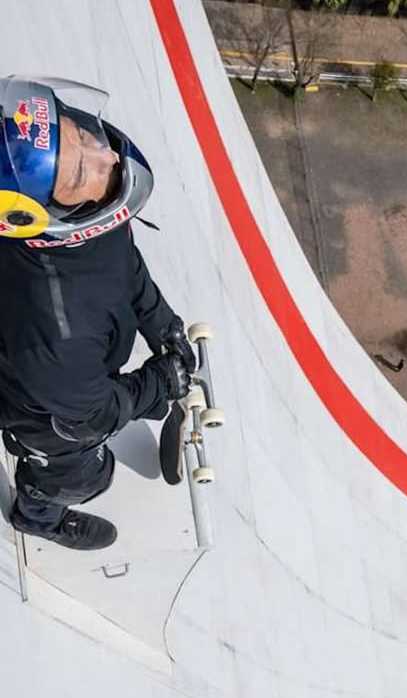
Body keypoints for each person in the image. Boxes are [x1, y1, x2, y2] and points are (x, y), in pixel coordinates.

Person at [0, 76, 194, 550]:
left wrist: (161, 326)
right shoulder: (56, 334)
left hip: (63, 380)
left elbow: (119, 260)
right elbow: (92, 416)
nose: (106, 158)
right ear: (35, 213)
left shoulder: (77, 220)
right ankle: (38, 514)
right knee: (85, 473)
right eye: (78, 172)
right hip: (48, 415)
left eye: (82, 136)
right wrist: (160, 382)